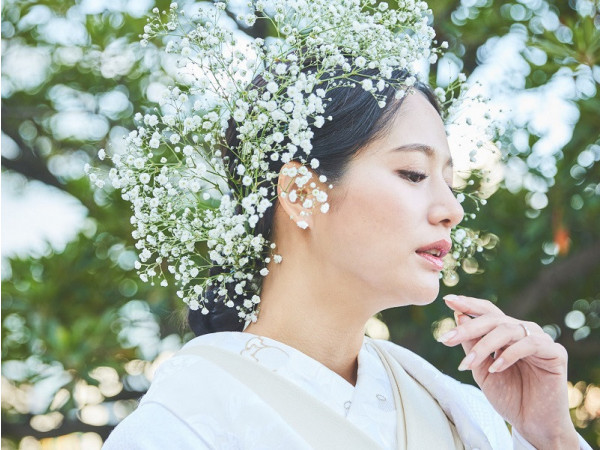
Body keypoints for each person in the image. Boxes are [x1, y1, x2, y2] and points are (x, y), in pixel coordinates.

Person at [100, 2, 592, 449]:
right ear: (299, 194)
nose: (451, 208)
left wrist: (550, 435)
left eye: (447, 178)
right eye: (413, 173)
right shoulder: (183, 424)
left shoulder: (465, 410)